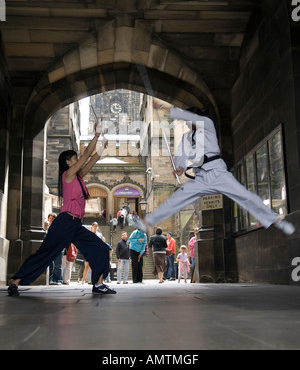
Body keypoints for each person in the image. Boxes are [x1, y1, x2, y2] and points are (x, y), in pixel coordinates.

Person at [139, 105, 295, 237]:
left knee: (244, 196)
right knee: (177, 198)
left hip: (217, 172)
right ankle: (148, 222)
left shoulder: (207, 124)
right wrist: (180, 169)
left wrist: (168, 109)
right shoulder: (186, 138)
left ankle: (276, 220)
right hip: (200, 176)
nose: (186, 123)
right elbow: (181, 158)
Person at [8, 123, 116, 296]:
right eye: (75, 159)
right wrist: (96, 136)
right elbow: (86, 155)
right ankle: (16, 282)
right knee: (45, 252)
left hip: (76, 225)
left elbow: (92, 160)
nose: (78, 160)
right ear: (68, 162)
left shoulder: (78, 177)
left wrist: (103, 147)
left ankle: (98, 284)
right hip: (64, 222)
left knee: (101, 248)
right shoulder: (68, 175)